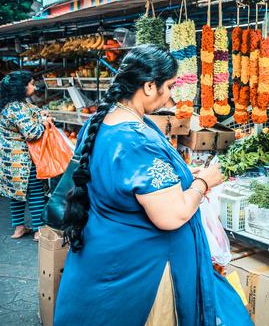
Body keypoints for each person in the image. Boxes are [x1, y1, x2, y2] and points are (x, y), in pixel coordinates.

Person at [55, 45, 252, 326]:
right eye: (169, 86)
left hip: (107, 255)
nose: (171, 95)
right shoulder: (135, 138)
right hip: (139, 269)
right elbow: (171, 216)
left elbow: (130, 180)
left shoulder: (103, 121)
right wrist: (203, 182)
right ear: (149, 86)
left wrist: (181, 176)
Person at [0, 71, 52, 240]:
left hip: (7, 160)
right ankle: (39, 230)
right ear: (21, 88)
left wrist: (39, 114)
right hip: (23, 161)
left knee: (15, 195)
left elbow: (31, 111)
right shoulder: (17, 108)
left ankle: (19, 228)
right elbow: (32, 133)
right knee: (35, 193)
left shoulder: (8, 105)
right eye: (31, 83)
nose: (34, 86)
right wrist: (44, 123)